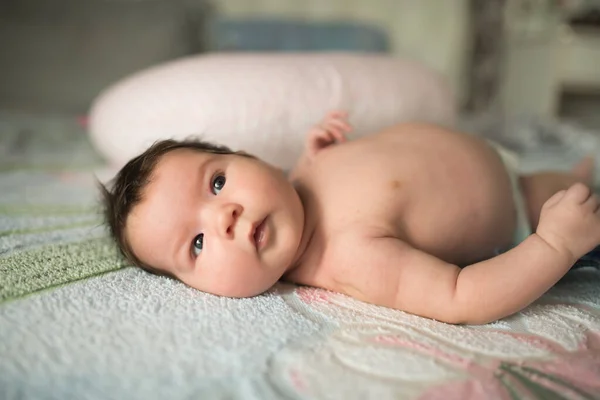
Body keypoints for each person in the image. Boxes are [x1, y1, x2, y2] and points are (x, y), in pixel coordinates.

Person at [100, 111, 599, 324]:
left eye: (216, 182)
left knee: (568, 178)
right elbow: (459, 296)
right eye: (198, 245)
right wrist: (554, 244)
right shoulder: (349, 256)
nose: (224, 217)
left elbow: (299, 185)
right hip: (518, 207)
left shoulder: (299, 181)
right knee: (576, 203)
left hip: (495, 158)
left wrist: (314, 153)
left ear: (250, 157)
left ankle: (575, 171)